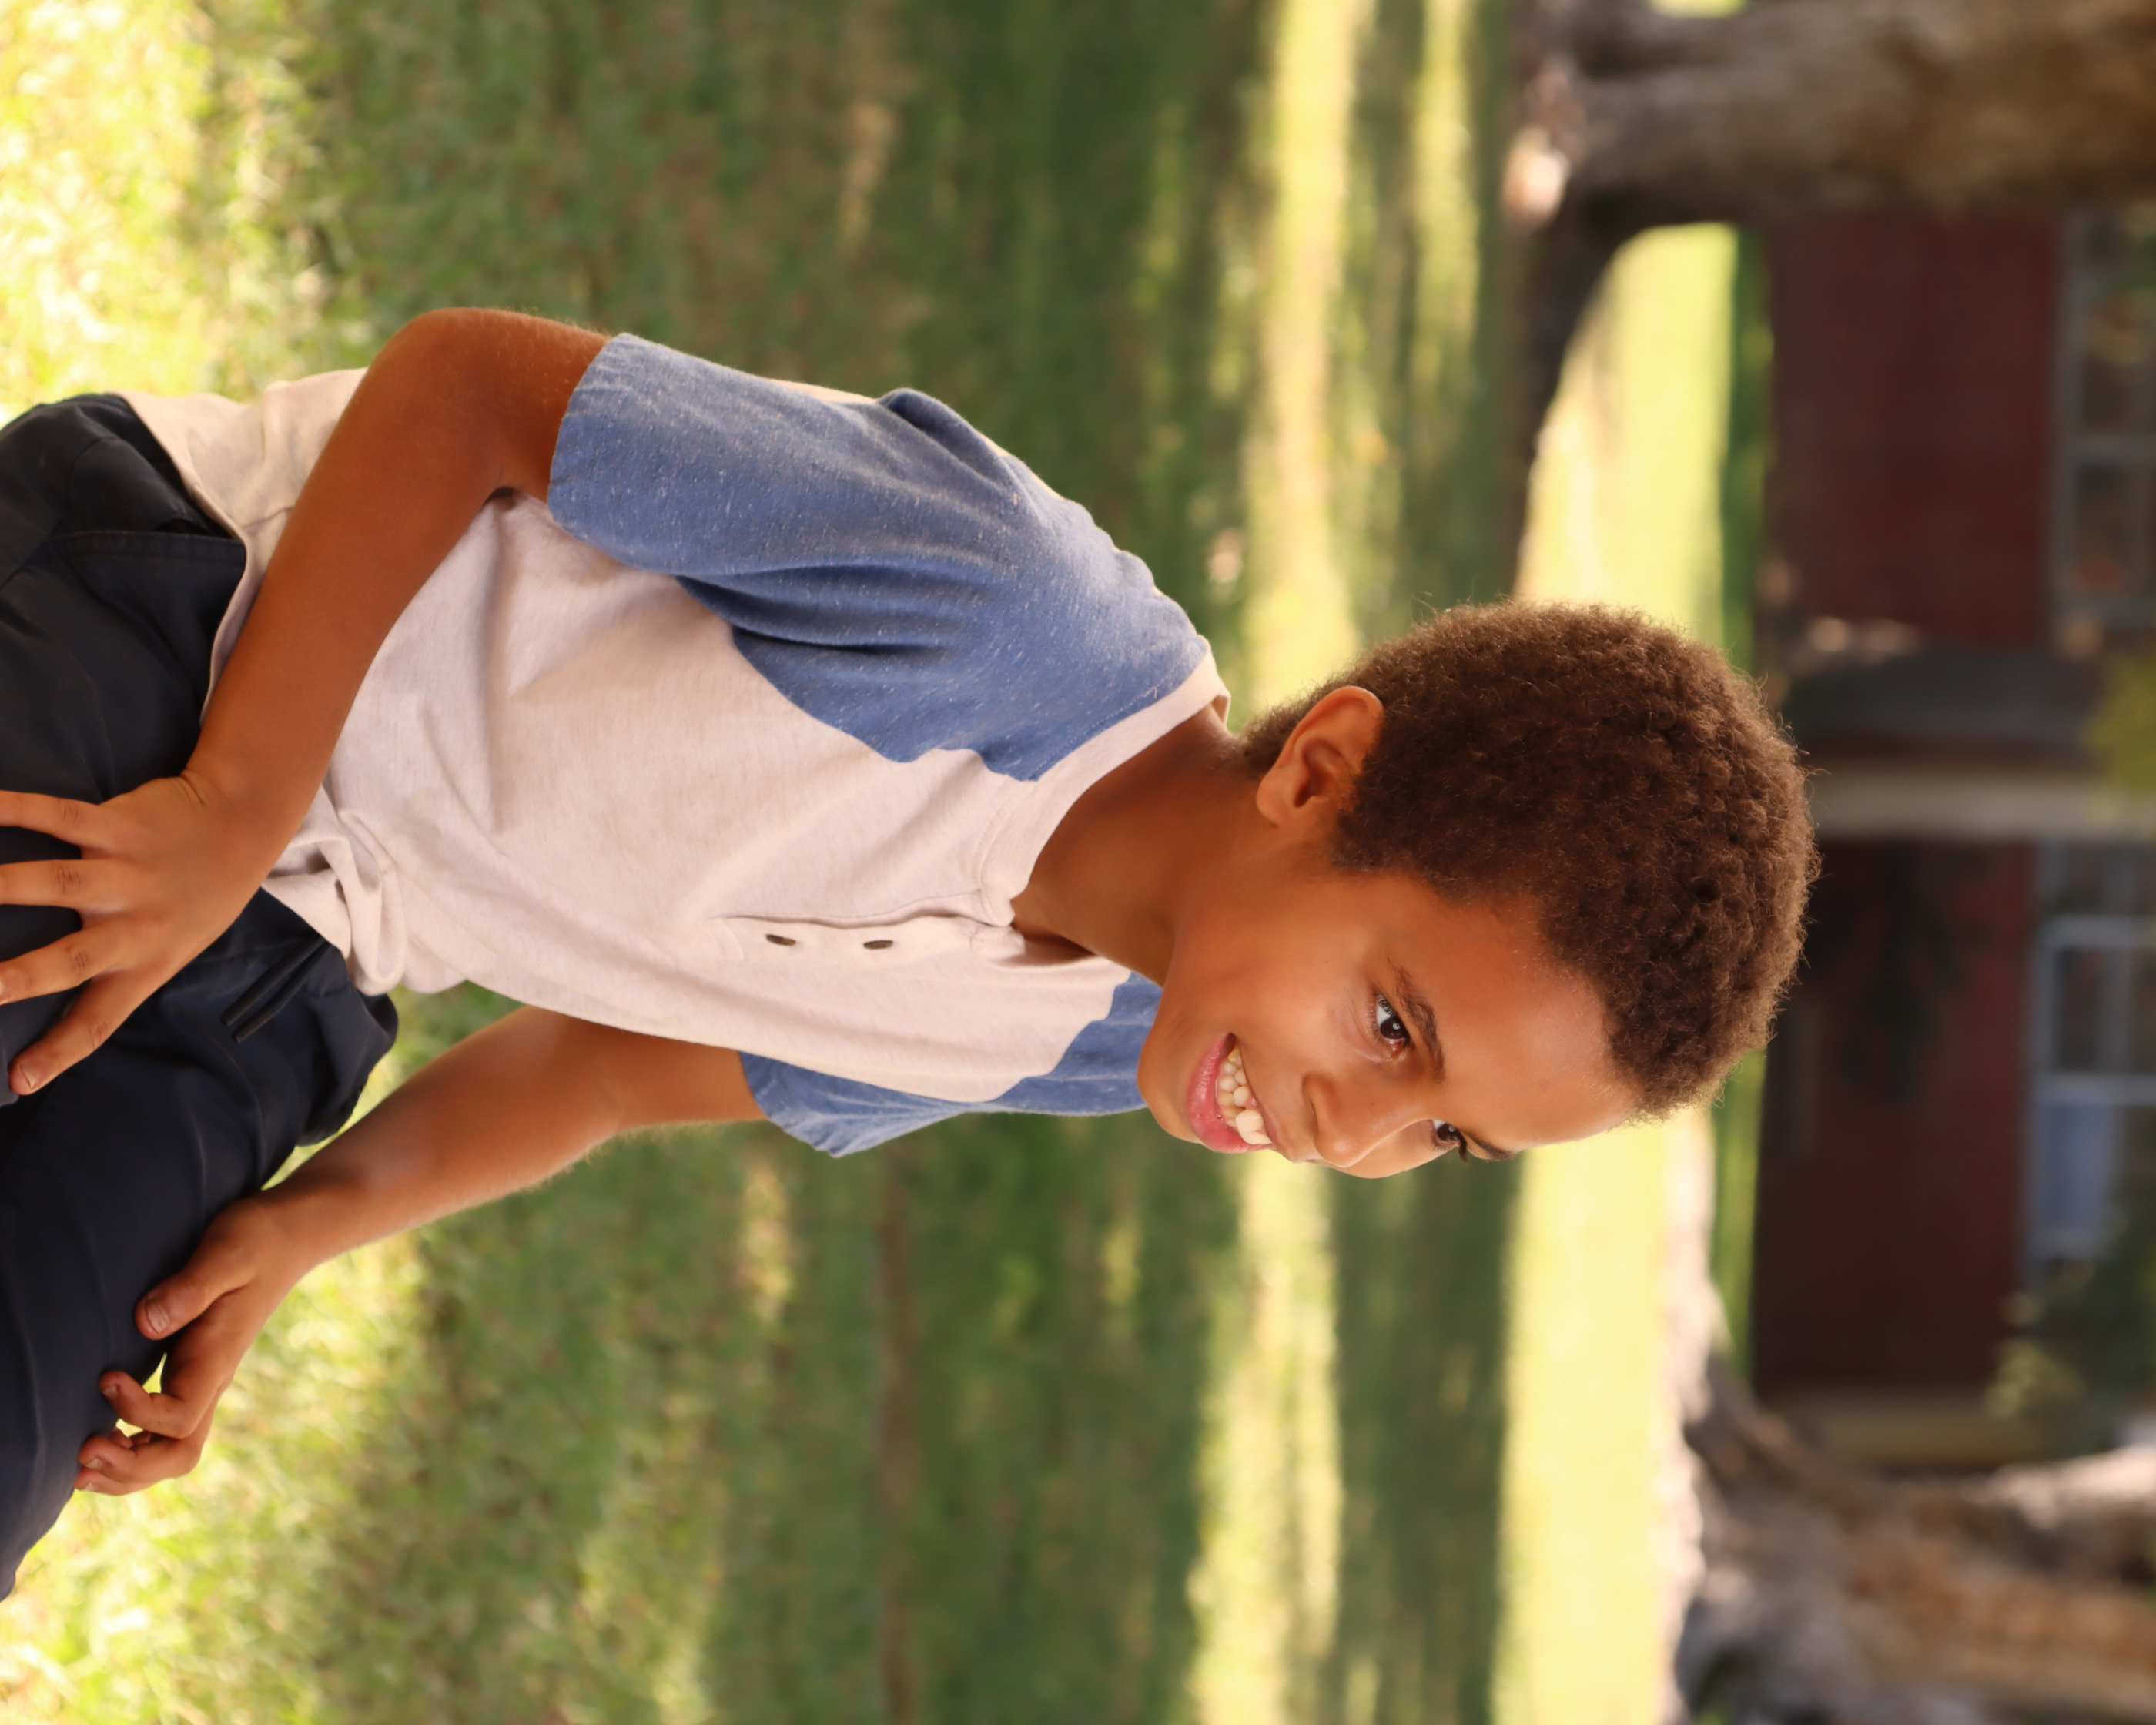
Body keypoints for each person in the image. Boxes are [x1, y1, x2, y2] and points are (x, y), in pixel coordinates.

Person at [0, 310, 1813, 1594]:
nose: (1352, 1131)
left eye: (1444, 1135)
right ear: (1320, 773)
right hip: (183, 626)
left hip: (304, 952)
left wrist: (304, 1225)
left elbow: (611, 1068)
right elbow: (461, 388)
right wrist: (235, 799)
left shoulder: (1102, 1041)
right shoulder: (1010, 616)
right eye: (1394, 1026)